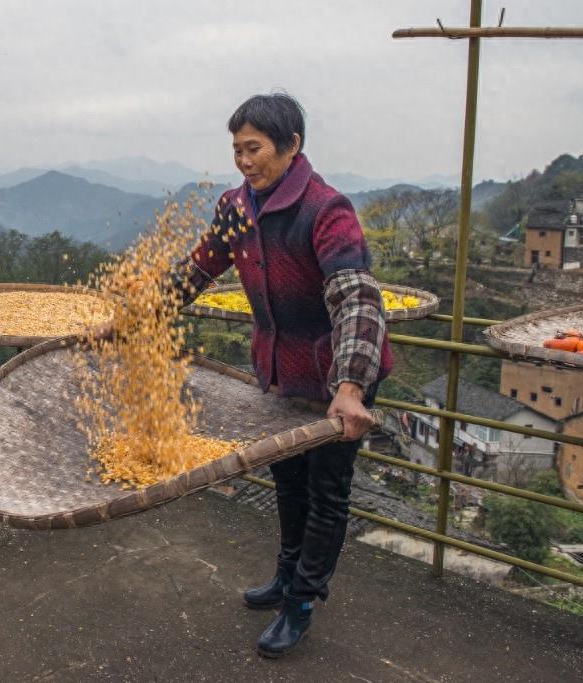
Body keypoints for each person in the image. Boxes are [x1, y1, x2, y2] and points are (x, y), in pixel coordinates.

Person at [174, 92, 393, 658]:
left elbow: (358, 301)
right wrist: (139, 314)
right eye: (237, 150)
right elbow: (198, 268)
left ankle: (301, 601)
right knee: (287, 480)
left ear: (292, 146)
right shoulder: (235, 207)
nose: (245, 161)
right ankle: (284, 576)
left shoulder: (326, 210)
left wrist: (349, 387)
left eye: (255, 149)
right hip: (279, 371)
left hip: (339, 375)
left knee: (326, 492)